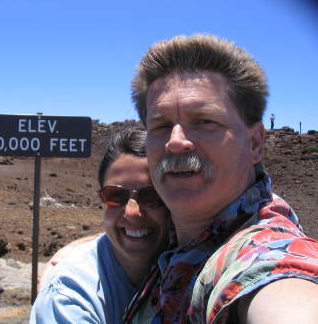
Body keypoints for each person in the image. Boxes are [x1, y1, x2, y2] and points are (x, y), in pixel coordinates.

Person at [124, 34, 318, 324]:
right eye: (161, 125)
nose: (175, 142)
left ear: (255, 143)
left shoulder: (263, 255)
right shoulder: (169, 234)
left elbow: (283, 290)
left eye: (204, 122)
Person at [30, 127, 172, 324]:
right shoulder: (70, 293)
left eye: (151, 196)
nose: (132, 212)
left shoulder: (192, 258)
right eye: (115, 195)